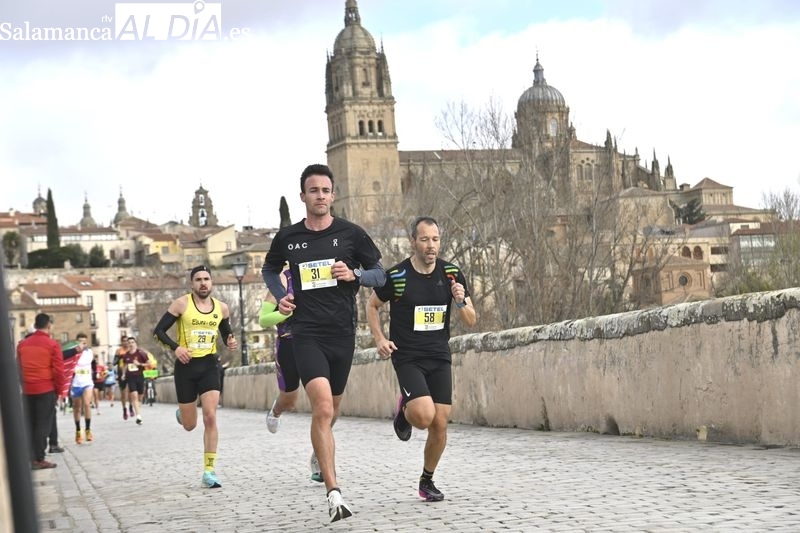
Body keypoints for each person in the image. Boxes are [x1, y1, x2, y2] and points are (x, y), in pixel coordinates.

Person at [261, 163, 385, 522]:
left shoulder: (351, 234)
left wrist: (356, 273)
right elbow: (270, 269)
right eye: (312, 190)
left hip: (342, 334)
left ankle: (319, 452)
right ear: (303, 196)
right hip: (306, 333)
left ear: (333, 195)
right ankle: (334, 493)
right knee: (323, 409)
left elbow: (380, 274)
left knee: (332, 410)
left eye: (325, 190)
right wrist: (281, 294)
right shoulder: (288, 238)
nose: (319, 196)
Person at [366, 216, 476, 502]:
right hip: (408, 356)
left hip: (439, 354)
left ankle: (427, 480)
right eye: (425, 239)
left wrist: (461, 300)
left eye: (435, 239)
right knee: (424, 416)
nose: (431, 246)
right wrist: (379, 339)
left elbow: (472, 319)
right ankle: (405, 411)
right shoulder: (398, 276)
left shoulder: (451, 274)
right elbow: (372, 305)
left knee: (440, 422)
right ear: (413, 242)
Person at [153, 265, 238, 489]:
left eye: (206, 279)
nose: (203, 283)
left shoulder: (222, 308)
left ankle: (209, 471)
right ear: (192, 283)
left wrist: (230, 340)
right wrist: (176, 348)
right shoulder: (181, 304)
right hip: (186, 366)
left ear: (211, 283)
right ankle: (183, 413)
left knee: (210, 416)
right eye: (198, 279)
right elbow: (159, 331)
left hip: (210, 364)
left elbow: (225, 330)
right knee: (190, 425)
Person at [16, 313, 65, 469]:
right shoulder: (52, 345)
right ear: (49, 325)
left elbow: (18, 368)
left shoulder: (22, 345)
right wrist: (59, 390)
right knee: (43, 425)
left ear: (35, 325)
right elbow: (58, 371)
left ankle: (30, 457)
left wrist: (24, 385)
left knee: (30, 423)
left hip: (28, 390)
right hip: (45, 389)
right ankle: (38, 458)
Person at [70, 333, 95, 444]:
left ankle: (88, 430)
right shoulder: (72, 353)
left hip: (87, 382)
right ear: (76, 342)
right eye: (80, 342)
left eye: (84, 342)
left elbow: (83, 362)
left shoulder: (89, 352)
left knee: (86, 404)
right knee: (77, 408)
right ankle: (78, 430)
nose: (82, 344)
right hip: (75, 383)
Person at [120, 337, 150, 424]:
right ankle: (138, 416)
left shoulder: (141, 353)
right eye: (129, 343)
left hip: (140, 376)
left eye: (132, 342)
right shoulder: (126, 355)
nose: (131, 344)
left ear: (135, 343)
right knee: (134, 395)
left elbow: (149, 364)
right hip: (131, 377)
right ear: (128, 344)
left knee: (140, 396)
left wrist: (139, 364)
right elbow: (125, 366)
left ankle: (137, 408)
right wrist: (123, 374)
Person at [112, 336, 135, 420]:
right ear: (121, 342)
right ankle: (124, 410)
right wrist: (119, 358)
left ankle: (131, 407)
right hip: (121, 372)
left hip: (130, 372)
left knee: (130, 392)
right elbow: (114, 362)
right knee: (123, 393)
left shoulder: (131, 350)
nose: (125, 343)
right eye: (123, 341)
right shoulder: (119, 351)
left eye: (126, 341)